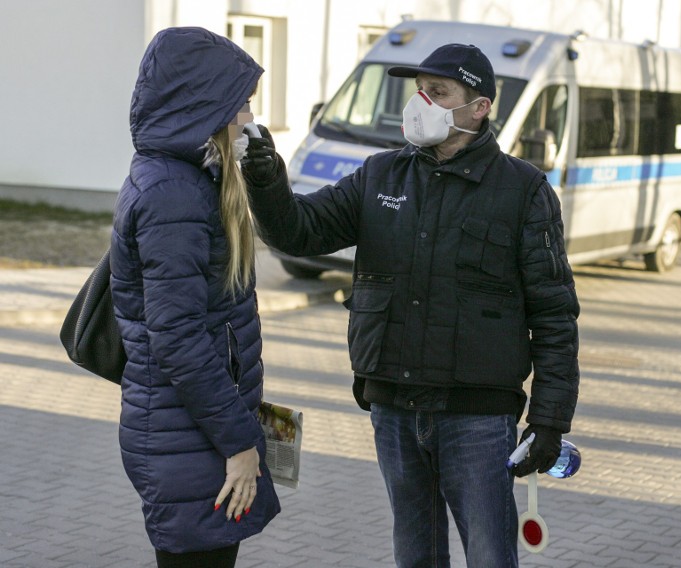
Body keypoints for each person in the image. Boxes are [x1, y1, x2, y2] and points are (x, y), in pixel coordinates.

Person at [243, 43, 580, 567]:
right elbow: (297, 229)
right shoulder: (380, 177)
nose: (420, 102)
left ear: (479, 107)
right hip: (394, 408)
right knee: (415, 554)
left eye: (438, 92)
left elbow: (555, 313)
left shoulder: (523, 190)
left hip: (477, 419)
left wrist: (550, 420)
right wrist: (266, 181)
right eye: (418, 91)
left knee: (490, 555)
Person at [110, 27, 280, 567]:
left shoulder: (187, 178)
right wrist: (239, 443)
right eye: (242, 103)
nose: (248, 117)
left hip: (191, 430)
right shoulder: (172, 192)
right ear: (203, 105)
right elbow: (179, 337)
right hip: (190, 438)